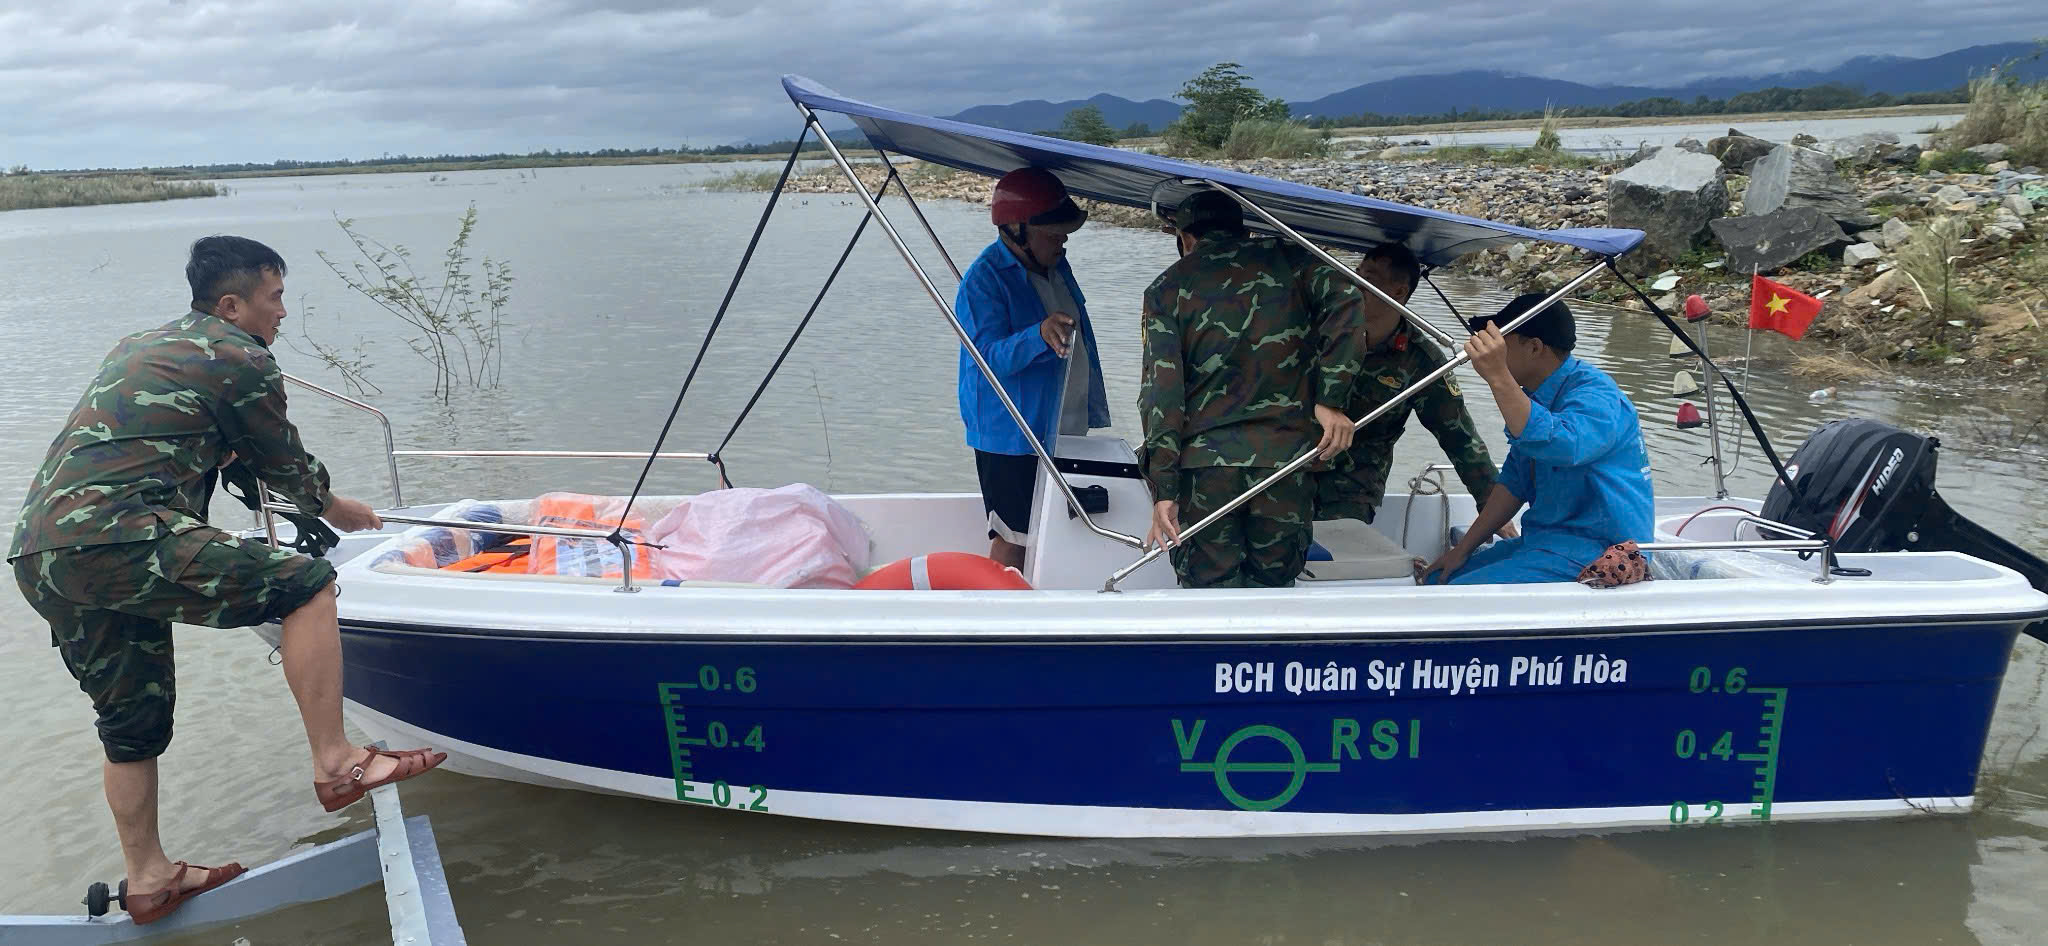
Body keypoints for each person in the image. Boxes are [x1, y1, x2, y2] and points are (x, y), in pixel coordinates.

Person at [8, 236, 446, 925]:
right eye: (277, 298)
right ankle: (338, 763)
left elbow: (201, 451)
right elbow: (283, 466)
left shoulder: (140, 345)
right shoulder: (241, 356)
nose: (283, 313)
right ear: (233, 305)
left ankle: (149, 878)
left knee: (130, 721)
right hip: (124, 534)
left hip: (42, 551)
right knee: (304, 583)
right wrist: (335, 507)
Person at [1140, 190, 1364, 588]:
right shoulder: (1293, 260)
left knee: (1208, 592)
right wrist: (1331, 400)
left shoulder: (1166, 288)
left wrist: (1165, 488)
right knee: (1274, 590)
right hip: (1285, 463)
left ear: (1186, 238)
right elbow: (1348, 299)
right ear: (1242, 230)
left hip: (1205, 469)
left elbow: (1162, 395)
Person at [1418, 293, 1654, 585]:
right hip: (1544, 543)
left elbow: (1561, 445)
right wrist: (1462, 550)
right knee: (1436, 580)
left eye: (1501, 342)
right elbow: (1514, 482)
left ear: (1533, 347)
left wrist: (1498, 376)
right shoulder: (1534, 397)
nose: (1494, 350)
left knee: (1453, 594)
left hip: (1597, 552)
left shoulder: (1597, 395)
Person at [953, 168, 1111, 569]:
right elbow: (987, 358)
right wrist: (1038, 335)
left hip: (1062, 425)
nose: (1062, 242)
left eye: (1064, 234)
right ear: (1017, 230)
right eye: (1053, 234)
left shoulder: (1057, 265)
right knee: (1014, 538)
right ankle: (999, 605)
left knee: (1052, 530)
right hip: (1013, 435)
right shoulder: (983, 281)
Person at [1314, 243, 1513, 540]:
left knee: (1336, 552)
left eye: (1368, 278)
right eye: (1355, 273)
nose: (1354, 283)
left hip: (1351, 484)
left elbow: (1459, 437)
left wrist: (1492, 507)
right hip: (1290, 466)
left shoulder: (1422, 360)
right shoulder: (1319, 330)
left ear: (1398, 292)